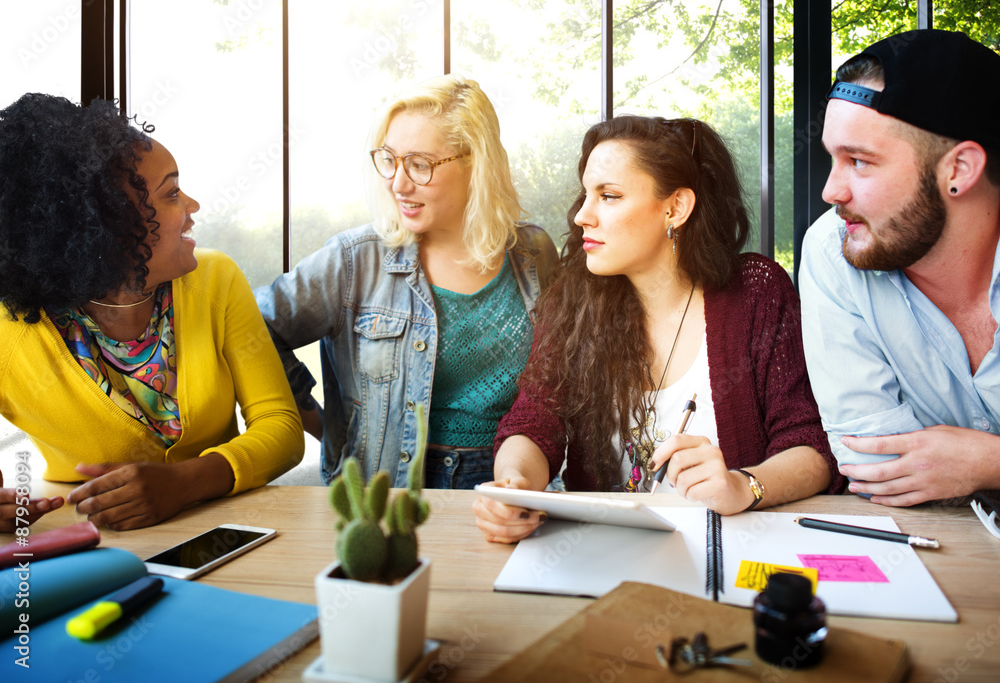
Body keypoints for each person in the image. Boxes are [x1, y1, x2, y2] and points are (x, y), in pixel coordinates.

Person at [474, 115, 840, 542]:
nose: (581, 216)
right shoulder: (573, 299)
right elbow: (535, 421)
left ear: (675, 208)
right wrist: (515, 486)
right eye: (586, 194)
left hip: (727, 550)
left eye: (608, 196)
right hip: (602, 551)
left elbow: (811, 444)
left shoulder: (757, 293)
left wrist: (744, 485)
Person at [0, 94, 304, 533]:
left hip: (224, 535)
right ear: (108, 226)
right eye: (172, 193)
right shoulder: (11, 332)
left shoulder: (215, 280)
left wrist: (183, 483)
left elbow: (281, 427)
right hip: (93, 547)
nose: (192, 207)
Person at [256, 75, 557, 490]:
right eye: (389, 159)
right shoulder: (353, 259)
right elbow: (254, 329)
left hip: (513, 480)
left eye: (419, 164)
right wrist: (323, 425)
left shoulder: (533, 251)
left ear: (476, 164)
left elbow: (556, 379)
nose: (398, 183)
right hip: (388, 492)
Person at [799, 29, 1000, 507]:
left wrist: (986, 463)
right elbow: (872, 465)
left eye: (860, 162)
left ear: (959, 170)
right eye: (833, 158)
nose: (831, 192)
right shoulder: (834, 251)